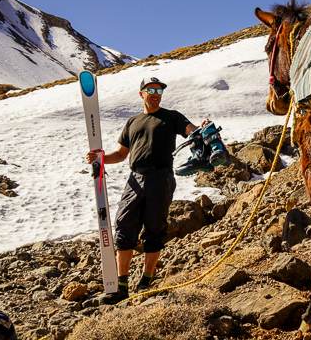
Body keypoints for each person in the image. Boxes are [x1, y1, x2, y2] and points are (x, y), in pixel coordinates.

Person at [86, 76, 230, 303]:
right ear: (141, 93)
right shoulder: (132, 122)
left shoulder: (171, 116)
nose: (155, 93)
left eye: (159, 90)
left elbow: (191, 131)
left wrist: (202, 128)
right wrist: (100, 157)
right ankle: (120, 287)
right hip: (135, 177)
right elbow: (122, 155)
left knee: (154, 229)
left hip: (161, 177)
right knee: (124, 227)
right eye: (150, 89)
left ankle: (146, 281)